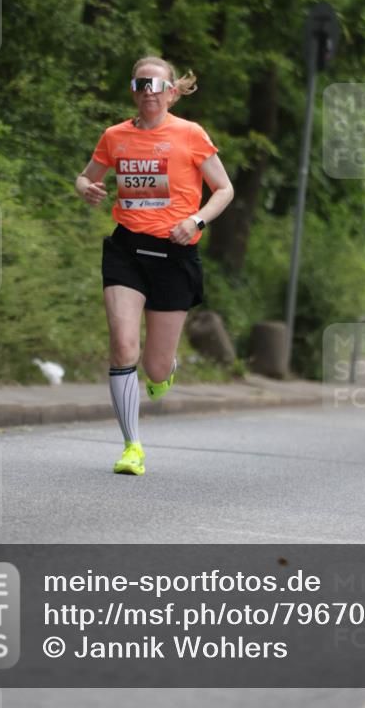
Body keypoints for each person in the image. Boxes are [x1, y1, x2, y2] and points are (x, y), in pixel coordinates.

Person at [75, 56, 234, 474]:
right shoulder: (115, 136)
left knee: (155, 366)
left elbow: (224, 189)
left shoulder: (191, 135)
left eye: (157, 85)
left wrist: (196, 219)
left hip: (174, 253)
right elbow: (85, 176)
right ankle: (132, 447)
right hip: (126, 250)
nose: (149, 92)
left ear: (172, 92)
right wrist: (86, 188)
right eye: (141, 84)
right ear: (133, 90)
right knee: (123, 345)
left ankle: (166, 368)